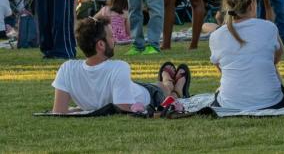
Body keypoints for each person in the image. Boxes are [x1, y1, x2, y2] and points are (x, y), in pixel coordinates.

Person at [51, 17, 191, 114]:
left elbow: (59, 111)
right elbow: (122, 106)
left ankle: (167, 80)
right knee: (162, 88)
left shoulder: (67, 68)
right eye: (111, 37)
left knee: (146, 85)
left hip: (130, 87)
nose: (115, 40)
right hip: (149, 96)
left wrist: (80, 108)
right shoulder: (119, 67)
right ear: (101, 44)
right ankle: (177, 87)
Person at [209, 0, 284, 110]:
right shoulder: (269, 28)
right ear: (252, 4)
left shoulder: (216, 36)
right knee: (270, 64)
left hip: (230, 104)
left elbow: (222, 70)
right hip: (273, 102)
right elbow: (276, 58)